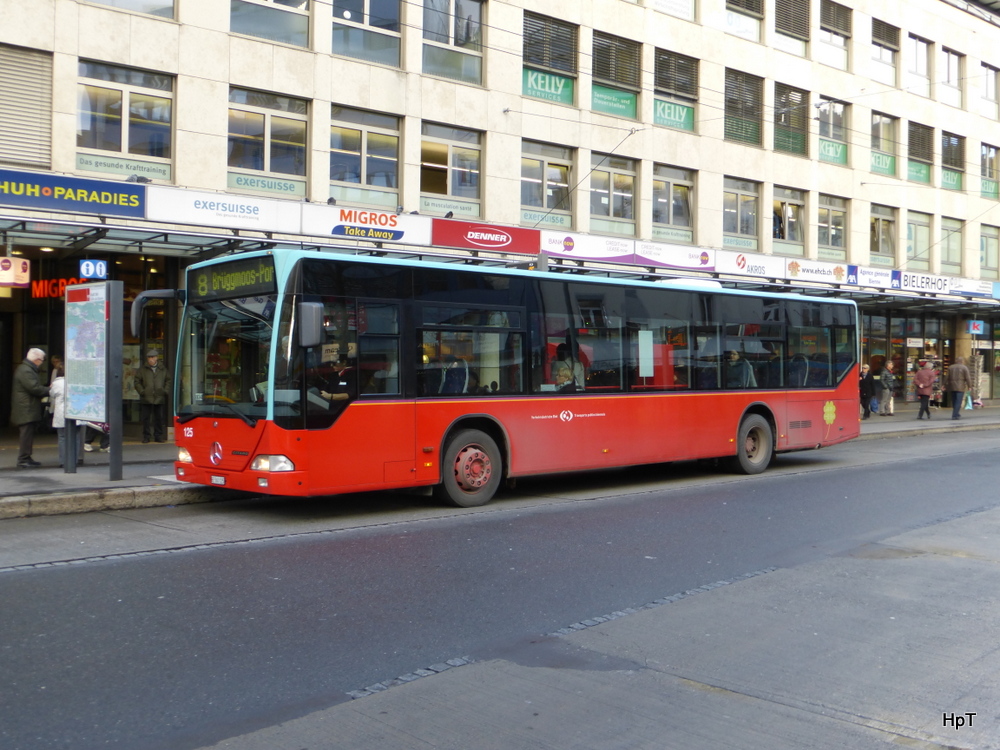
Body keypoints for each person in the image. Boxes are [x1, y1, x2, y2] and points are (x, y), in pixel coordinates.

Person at [11, 348, 50, 468]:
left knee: (28, 434)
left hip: (27, 406)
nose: (42, 363)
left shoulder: (26, 369)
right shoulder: (26, 370)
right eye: (42, 360)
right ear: (37, 360)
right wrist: (50, 389)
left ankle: (27, 457)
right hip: (26, 408)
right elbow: (34, 388)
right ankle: (23, 459)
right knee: (26, 434)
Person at [50, 365, 83, 467]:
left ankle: (63, 461)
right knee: (76, 437)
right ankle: (75, 460)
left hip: (61, 413)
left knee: (62, 437)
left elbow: (52, 394)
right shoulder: (77, 382)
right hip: (76, 411)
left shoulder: (56, 383)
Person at [136, 349, 171, 442]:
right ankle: (146, 436)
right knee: (146, 418)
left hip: (159, 397)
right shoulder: (143, 369)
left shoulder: (162, 369)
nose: (150, 359)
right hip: (146, 397)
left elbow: (168, 380)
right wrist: (142, 391)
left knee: (158, 418)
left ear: (156, 358)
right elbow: (137, 381)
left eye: (152, 357)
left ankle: (158, 436)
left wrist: (164, 391)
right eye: (149, 358)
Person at [947, 356, 972, 420]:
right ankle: (954, 415)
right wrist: (970, 386)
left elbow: (947, 377)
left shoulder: (950, 367)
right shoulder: (964, 368)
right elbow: (968, 378)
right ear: (962, 361)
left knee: (954, 401)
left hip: (952, 386)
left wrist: (944, 384)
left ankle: (956, 413)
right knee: (958, 401)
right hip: (960, 387)